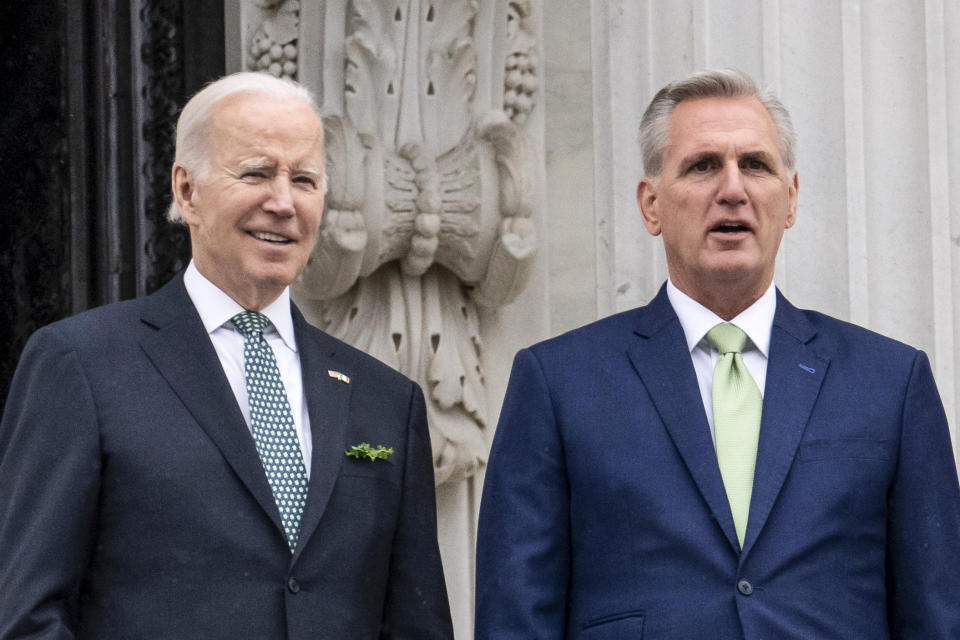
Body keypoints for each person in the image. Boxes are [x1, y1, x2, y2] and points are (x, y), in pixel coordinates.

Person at [475, 69, 960, 638]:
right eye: (703, 166)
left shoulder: (890, 382)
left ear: (791, 199)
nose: (733, 188)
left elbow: (937, 615)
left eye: (755, 164)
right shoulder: (558, 383)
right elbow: (515, 617)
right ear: (650, 205)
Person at [0, 72, 453, 639]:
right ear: (187, 191)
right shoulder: (81, 365)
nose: (284, 203)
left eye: (305, 180)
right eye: (257, 173)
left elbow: (416, 624)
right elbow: (27, 616)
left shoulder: (386, 400)